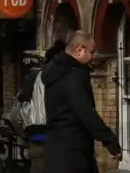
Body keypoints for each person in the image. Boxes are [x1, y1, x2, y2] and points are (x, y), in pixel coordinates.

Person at [42, 31, 121, 173]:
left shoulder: (57, 72)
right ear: (79, 50)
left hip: (56, 150)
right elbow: (85, 112)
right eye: (92, 51)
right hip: (73, 154)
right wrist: (110, 141)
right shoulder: (73, 75)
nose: (93, 56)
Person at [20, 41, 66, 171]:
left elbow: (18, 108)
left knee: (38, 164)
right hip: (57, 134)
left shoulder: (32, 77)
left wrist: (23, 131)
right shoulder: (67, 77)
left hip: (36, 131)